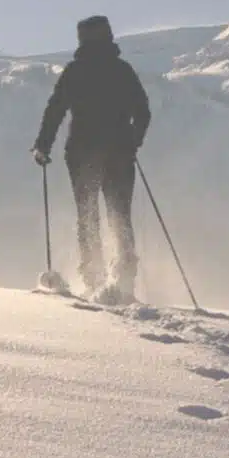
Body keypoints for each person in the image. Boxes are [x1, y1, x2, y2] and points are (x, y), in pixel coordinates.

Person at [31, 15, 151, 302]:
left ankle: (94, 278)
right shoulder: (122, 71)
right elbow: (143, 112)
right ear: (108, 37)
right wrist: (133, 141)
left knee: (87, 215)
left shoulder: (75, 71)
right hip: (120, 153)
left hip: (81, 153)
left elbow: (55, 109)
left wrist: (43, 146)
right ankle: (124, 281)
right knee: (119, 215)